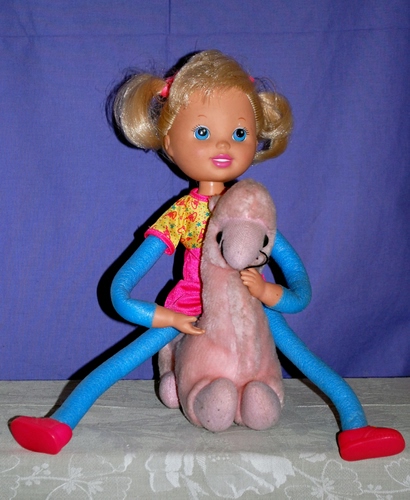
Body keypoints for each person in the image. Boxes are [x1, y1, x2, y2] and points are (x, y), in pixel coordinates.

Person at [10, 50, 404, 460]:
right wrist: (169, 319)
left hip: (249, 302)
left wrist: (269, 294)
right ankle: (61, 423)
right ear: (169, 141)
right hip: (191, 308)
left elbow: (301, 290)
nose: (222, 144)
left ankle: (356, 427)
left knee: (307, 360)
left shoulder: (249, 211)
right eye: (202, 132)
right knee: (118, 364)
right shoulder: (182, 216)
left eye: (239, 133)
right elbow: (120, 290)